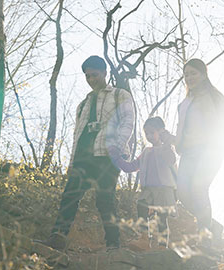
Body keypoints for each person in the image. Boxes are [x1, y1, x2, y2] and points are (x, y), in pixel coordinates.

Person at [43, 56, 135, 251]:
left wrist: (117, 147)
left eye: (94, 75)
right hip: (83, 157)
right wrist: (72, 161)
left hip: (107, 154)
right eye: (87, 76)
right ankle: (58, 237)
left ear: (104, 73)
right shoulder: (83, 104)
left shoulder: (120, 94)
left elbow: (128, 121)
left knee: (105, 198)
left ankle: (113, 243)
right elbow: (77, 133)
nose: (91, 79)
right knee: (70, 195)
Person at [160, 58, 224, 242]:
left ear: (203, 74)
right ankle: (213, 226)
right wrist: (170, 139)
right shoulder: (185, 104)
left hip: (212, 149)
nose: (189, 77)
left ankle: (205, 237)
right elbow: (184, 133)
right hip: (189, 152)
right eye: (186, 74)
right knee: (183, 194)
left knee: (199, 188)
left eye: (193, 73)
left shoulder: (215, 97)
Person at [110, 116, 177, 250]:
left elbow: (171, 161)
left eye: (152, 132)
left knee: (162, 219)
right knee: (141, 206)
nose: (149, 136)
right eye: (146, 133)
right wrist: (116, 157)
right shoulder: (146, 152)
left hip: (165, 189)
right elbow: (131, 167)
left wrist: (168, 143)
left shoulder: (167, 149)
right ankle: (144, 238)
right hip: (148, 189)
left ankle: (162, 246)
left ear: (161, 132)